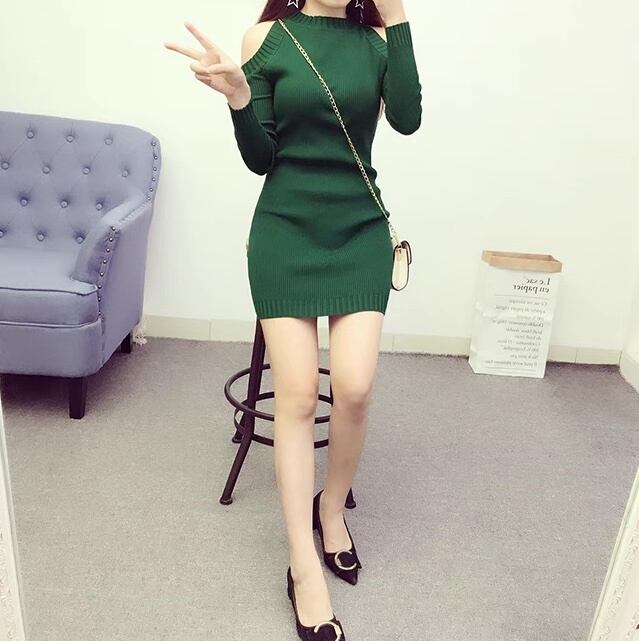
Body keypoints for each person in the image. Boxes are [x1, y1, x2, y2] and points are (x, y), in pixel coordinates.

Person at [165, 1, 421, 638]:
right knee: (300, 395)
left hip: (360, 228)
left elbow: (408, 118)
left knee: (355, 388)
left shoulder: (376, 41)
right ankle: (303, 565)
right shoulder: (266, 38)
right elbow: (261, 157)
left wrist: (396, 14)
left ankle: (330, 509)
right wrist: (237, 97)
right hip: (286, 230)